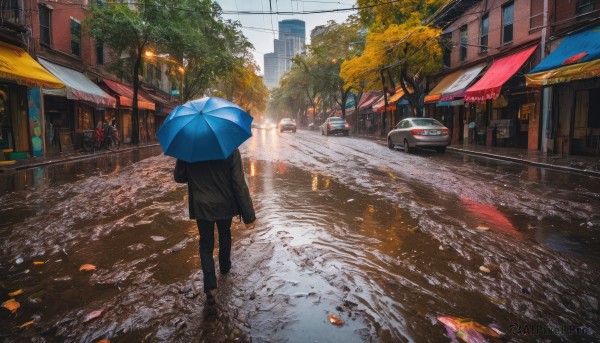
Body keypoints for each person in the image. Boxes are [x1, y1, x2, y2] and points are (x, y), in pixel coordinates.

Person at [174, 149, 256, 306]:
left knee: (206, 244)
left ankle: (210, 285)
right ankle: (225, 266)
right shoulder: (230, 148)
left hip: (201, 204)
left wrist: (184, 159)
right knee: (225, 234)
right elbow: (238, 183)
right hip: (225, 203)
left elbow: (179, 177)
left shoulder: (190, 148)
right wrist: (249, 216)